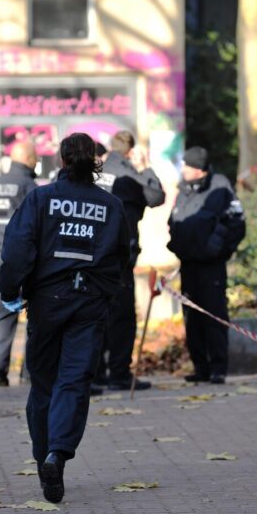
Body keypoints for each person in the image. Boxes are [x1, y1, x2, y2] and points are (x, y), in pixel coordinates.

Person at [0, 133, 130, 503]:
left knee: (43, 383)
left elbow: (18, 248)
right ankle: (58, 454)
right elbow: (123, 255)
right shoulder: (110, 205)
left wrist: (10, 291)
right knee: (73, 381)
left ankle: (44, 458)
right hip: (89, 303)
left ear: (62, 159)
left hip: (48, 302)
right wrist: (105, 289)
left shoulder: (41, 199)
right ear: (95, 160)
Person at [92, 131, 165, 393]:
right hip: (120, 256)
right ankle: (119, 374)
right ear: (131, 151)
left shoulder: (95, 171)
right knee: (121, 317)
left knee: (95, 313)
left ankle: (96, 372)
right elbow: (156, 196)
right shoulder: (129, 174)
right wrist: (145, 167)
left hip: (93, 255)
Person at [167, 146, 246, 385]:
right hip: (188, 264)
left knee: (214, 315)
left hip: (211, 267)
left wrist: (219, 249)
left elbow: (237, 224)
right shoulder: (184, 191)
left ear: (199, 170)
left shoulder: (220, 188)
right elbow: (175, 219)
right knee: (192, 318)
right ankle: (200, 367)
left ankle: (218, 368)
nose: (182, 170)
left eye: (187, 166)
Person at [0, 140, 39, 387]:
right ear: (28, 159)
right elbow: (35, 224)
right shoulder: (29, 186)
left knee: (4, 311)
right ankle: (28, 371)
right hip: (24, 257)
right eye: (36, 158)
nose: (38, 162)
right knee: (34, 313)